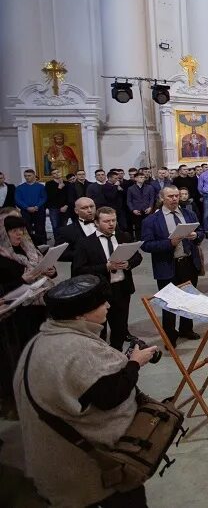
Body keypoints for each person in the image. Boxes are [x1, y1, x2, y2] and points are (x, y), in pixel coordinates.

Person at [14, 275, 159, 507]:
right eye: (102, 304)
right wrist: (134, 363)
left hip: (52, 462)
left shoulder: (42, 339)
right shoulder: (77, 349)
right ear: (81, 315)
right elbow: (110, 395)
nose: (108, 306)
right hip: (85, 468)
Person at [0, 213, 54, 418]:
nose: (19, 234)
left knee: (40, 346)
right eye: (14, 231)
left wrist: (49, 272)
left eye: (21, 230)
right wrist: (23, 279)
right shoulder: (3, 256)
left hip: (39, 303)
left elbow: (45, 268)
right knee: (22, 352)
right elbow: (5, 285)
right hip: (15, 312)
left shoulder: (29, 248)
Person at [71, 206, 144, 351]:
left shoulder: (124, 236)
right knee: (100, 330)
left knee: (120, 328)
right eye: (106, 221)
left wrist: (128, 263)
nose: (111, 224)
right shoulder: (85, 243)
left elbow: (138, 256)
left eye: (113, 220)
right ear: (96, 223)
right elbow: (78, 270)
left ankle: (117, 356)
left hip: (122, 289)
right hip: (100, 293)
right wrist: (105, 267)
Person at [140, 185, 204, 346]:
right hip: (167, 265)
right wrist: (169, 243)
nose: (175, 199)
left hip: (188, 262)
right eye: (170, 196)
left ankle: (186, 329)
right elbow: (146, 245)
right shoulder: (152, 220)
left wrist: (196, 235)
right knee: (169, 303)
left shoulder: (188, 213)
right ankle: (169, 336)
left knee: (189, 299)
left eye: (176, 196)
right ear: (162, 198)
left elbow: (201, 231)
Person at [55, 196, 99, 265]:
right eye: (84, 208)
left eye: (92, 206)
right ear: (76, 211)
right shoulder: (66, 231)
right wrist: (84, 255)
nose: (89, 210)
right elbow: (60, 255)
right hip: (83, 272)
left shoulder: (108, 224)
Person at [15, 169, 47, 246]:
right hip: (25, 211)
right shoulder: (20, 187)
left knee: (40, 228)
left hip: (38, 210)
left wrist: (37, 206)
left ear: (34, 175)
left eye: (29, 176)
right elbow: (18, 199)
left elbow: (44, 198)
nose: (27, 177)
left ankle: (42, 245)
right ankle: (28, 245)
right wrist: (26, 207)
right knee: (26, 229)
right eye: (25, 176)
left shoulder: (40, 187)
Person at [44, 170, 70, 234]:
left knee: (64, 226)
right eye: (54, 173)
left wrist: (66, 205)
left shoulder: (67, 183)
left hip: (65, 207)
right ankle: (58, 242)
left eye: (58, 172)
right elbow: (50, 197)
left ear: (61, 173)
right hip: (54, 208)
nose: (57, 174)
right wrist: (59, 188)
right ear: (52, 175)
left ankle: (65, 241)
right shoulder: (49, 184)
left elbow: (69, 196)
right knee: (55, 226)